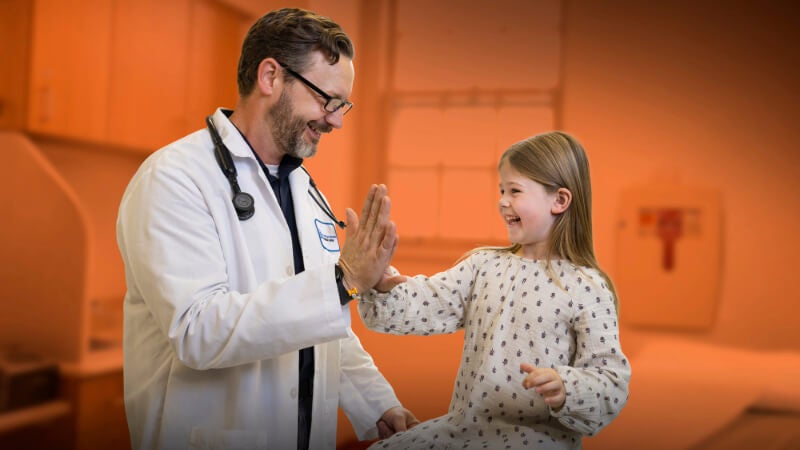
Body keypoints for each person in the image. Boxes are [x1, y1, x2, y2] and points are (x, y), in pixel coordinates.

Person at [116, 8, 418, 450]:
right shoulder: (174, 178)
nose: (335, 120)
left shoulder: (304, 189)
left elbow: (320, 321)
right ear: (271, 77)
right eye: (326, 100)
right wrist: (343, 280)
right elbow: (198, 331)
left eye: (342, 105)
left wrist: (376, 404)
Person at [358, 131, 631, 449]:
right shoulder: (483, 265)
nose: (502, 201)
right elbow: (432, 301)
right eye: (502, 189)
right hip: (464, 431)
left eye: (514, 190)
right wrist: (380, 284)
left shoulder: (587, 287)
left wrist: (567, 387)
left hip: (538, 440)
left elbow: (610, 379)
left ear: (559, 200)